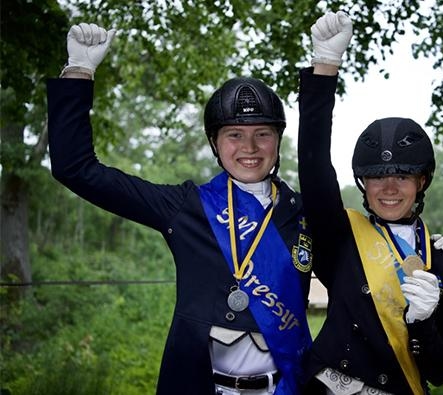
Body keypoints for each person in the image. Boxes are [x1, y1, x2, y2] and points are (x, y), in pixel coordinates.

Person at [48, 23, 314, 394]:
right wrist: (78, 73)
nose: (249, 147)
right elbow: (76, 169)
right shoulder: (185, 207)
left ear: (277, 140)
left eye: (262, 134)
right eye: (235, 135)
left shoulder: (305, 213)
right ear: (214, 143)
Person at [297, 11, 443, 395]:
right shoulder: (341, 235)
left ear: (422, 181)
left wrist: (425, 320)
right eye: (377, 176)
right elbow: (313, 169)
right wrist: (325, 69)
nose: (389, 187)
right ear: (363, 182)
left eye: (403, 176)